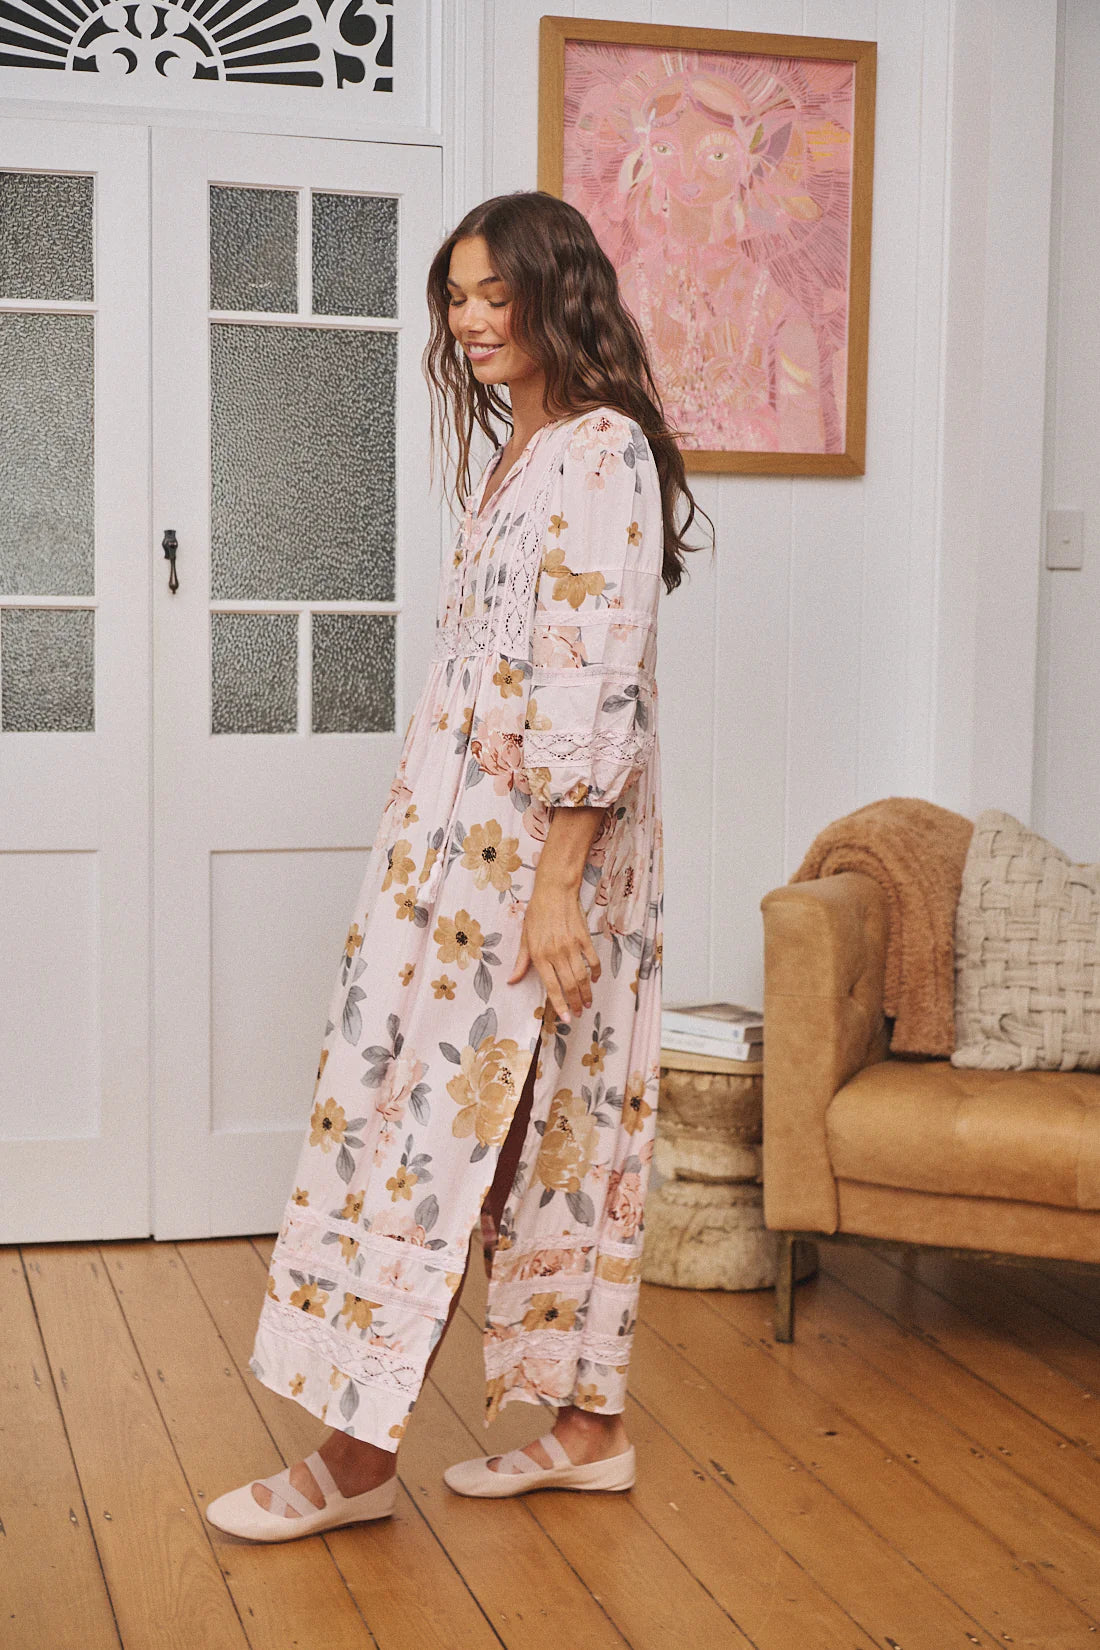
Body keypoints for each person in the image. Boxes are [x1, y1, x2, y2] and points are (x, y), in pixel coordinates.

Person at [206, 189, 708, 1541]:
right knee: (514, 1129)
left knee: (447, 1137)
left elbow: (595, 677)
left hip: (533, 865)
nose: (472, 321)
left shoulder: (602, 448)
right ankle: (588, 1430)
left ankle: (356, 1459)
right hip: (455, 859)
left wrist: (556, 888)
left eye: (496, 294)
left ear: (557, 295)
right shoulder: (518, 450)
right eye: (457, 298)